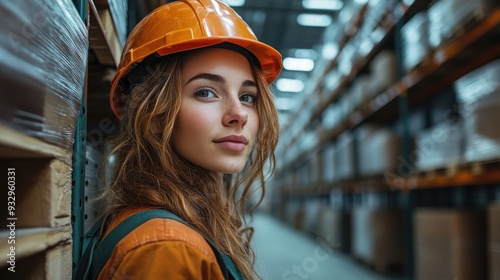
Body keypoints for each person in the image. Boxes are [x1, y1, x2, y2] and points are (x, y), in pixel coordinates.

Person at [85, 0, 282, 279]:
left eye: (247, 96)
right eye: (205, 92)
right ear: (153, 113)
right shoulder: (167, 249)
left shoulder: (179, 226)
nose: (239, 114)